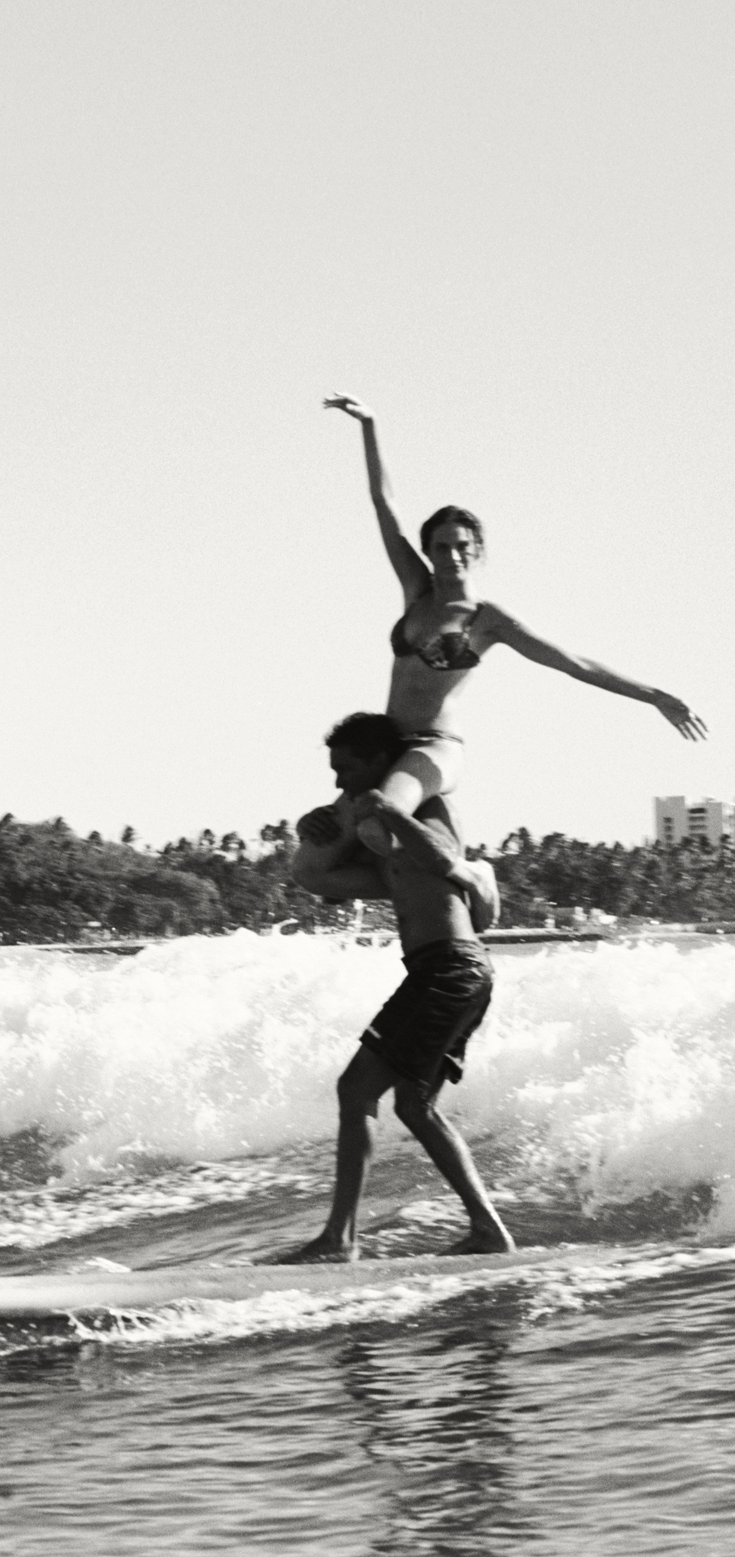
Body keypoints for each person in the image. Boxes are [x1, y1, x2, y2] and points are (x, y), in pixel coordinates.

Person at [323, 395, 704, 826]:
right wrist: (369, 425)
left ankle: (472, 878)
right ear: (428, 551)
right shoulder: (417, 590)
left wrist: (654, 696)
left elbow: (573, 663)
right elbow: (383, 504)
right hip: (388, 745)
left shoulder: (488, 620)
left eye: (462, 546)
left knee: (382, 819)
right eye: (441, 547)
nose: (452, 555)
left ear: (478, 550)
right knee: (314, 867)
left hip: (433, 747)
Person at [285, 712, 511, 1262]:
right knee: (414, 1105)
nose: (340, 783)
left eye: (348, 770)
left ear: (382, 764)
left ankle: (340, 1239)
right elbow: (323, 881)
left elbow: (443, 861)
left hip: (452, 968)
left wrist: (387, 808)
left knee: (356, 1090)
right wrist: (315, 830)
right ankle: (489, 1232)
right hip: (442, 970)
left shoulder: (429, 809)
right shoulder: (379, 838)